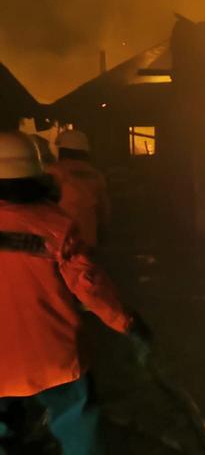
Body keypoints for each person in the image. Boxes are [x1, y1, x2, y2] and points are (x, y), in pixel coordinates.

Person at [0, 131, 148, 455]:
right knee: (77, 424)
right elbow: (89, 286)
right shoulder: (56, 224)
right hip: (53, 355)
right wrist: (128, 323)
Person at [47, 130, 110, 253]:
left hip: (63, 240)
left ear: (62, 150)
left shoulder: (54, 171)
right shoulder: (95, 173)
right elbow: (104, 209)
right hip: (89, 239)